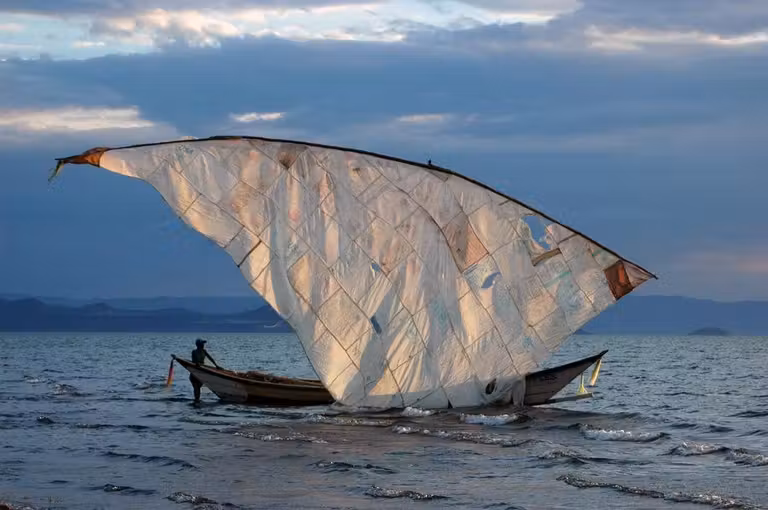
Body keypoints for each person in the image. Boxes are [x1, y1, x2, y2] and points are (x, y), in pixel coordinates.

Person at [190, 338, 221, 403]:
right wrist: (197, 363)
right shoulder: (194, 352)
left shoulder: (204, 351)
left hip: (202, 372)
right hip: (194, 373)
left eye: (203, 344)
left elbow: (210, 358)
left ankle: (197, 402)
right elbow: (194, 361)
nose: (203, 345)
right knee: (196, 388)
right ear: (198, 345)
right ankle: (196, 401)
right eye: (202, 344)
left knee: (199, 387)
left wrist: (216, 365)